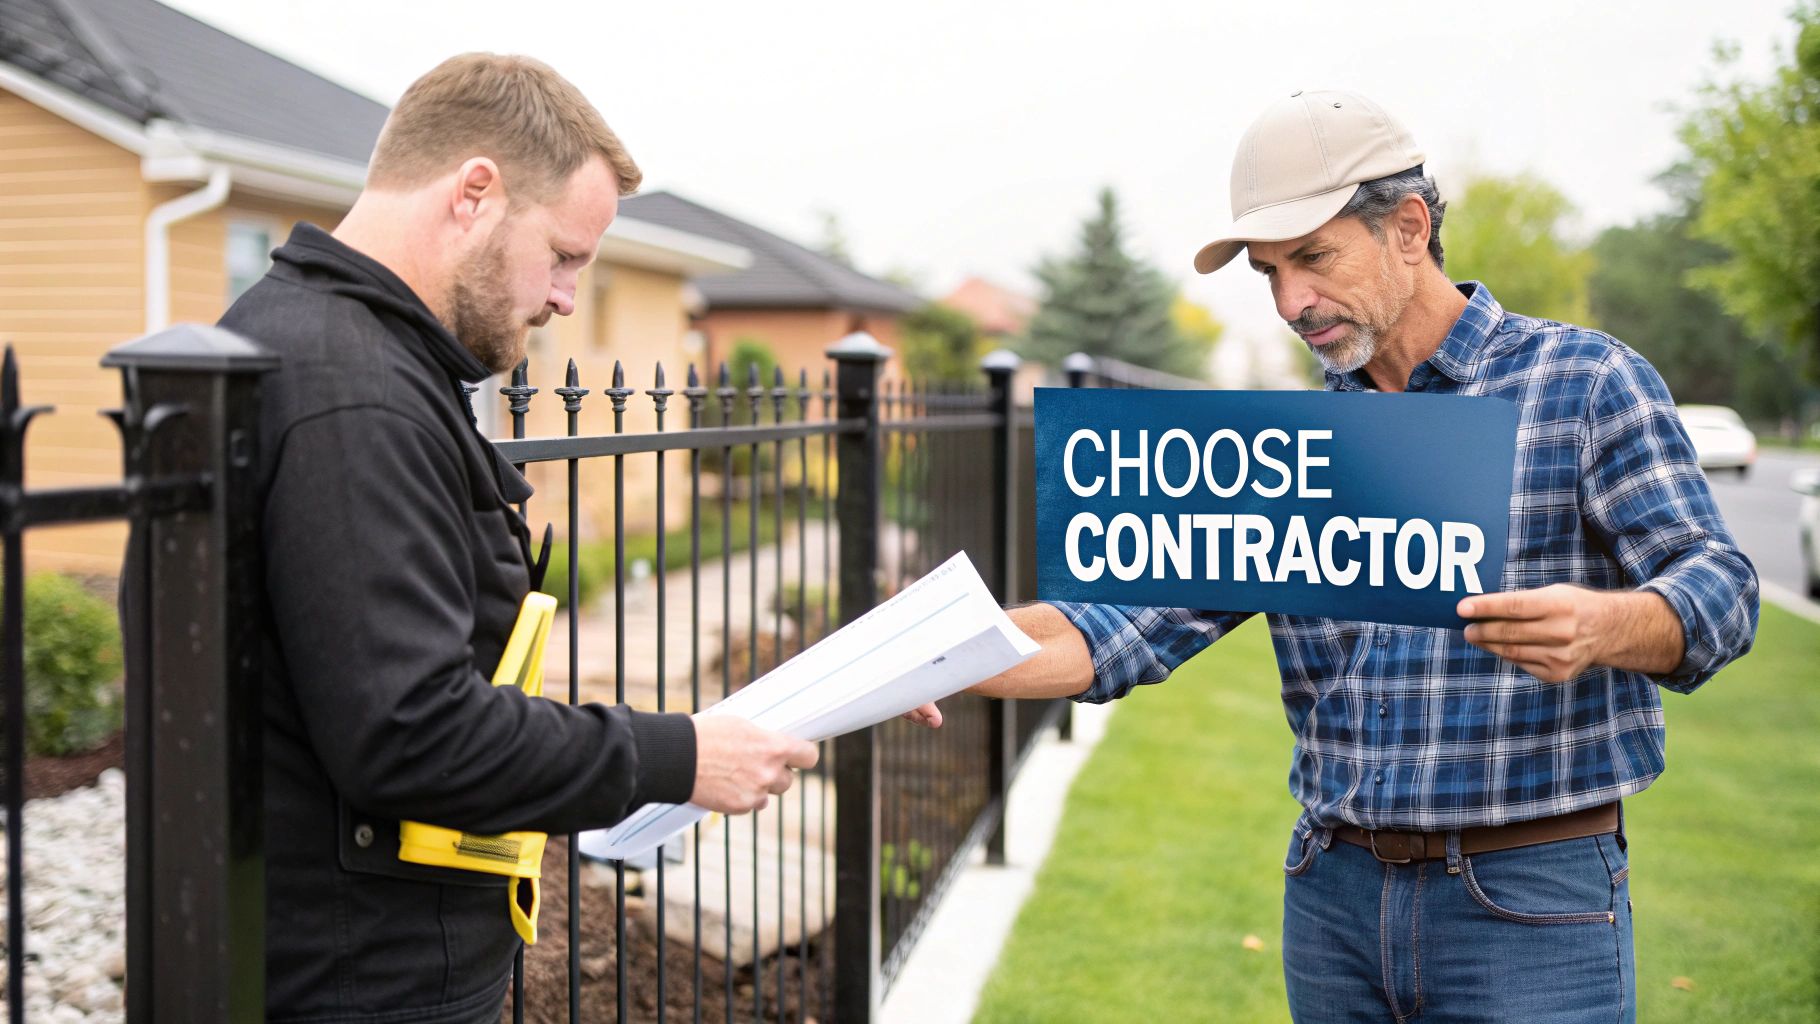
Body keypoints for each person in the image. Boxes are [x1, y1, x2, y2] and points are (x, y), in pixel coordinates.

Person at [972, 90, 1757, 1023]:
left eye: (1312, 258)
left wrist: (1607, 625)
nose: (1291, 301)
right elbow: (1121, 628)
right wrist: (938, 653)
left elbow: (1723, 591)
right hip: (1332, 896)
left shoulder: (1583, 383)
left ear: (1410, 228)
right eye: (1268, 272)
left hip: (1531, 903)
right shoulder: (1293, 442)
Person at [220, 54, 824, 1023]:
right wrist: (676, 756)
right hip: (359, 985)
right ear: (474, 194)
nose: (565, 300)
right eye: (565, 255)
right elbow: (410, 732)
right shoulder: (354, 390)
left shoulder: (357, 355)